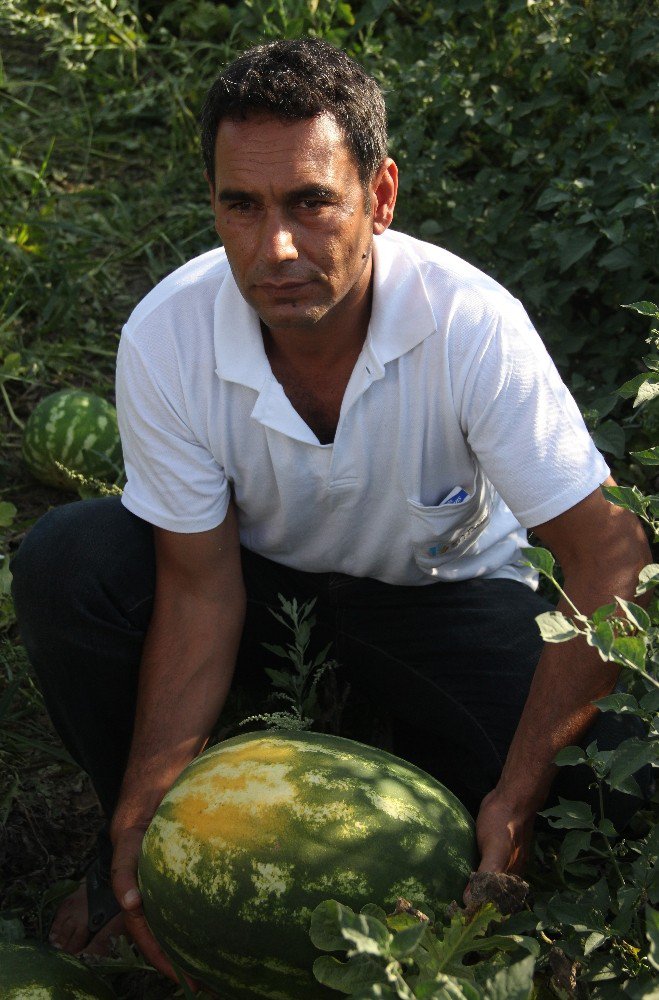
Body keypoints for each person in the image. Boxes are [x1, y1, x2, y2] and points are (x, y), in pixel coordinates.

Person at [11, 37, 652, 981]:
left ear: (379, 198)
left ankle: (418, 752)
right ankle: (144, 864)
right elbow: (198, 591)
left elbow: (608, 554)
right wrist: (140, 818)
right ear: (216, 206)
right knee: (73, 559)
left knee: (620, 786)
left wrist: (518, 794)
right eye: (243, 206)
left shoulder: (468, 325)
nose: (275, 249)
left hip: (444, 602)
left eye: (311, 203)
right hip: (262, 594)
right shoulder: (167, 334)